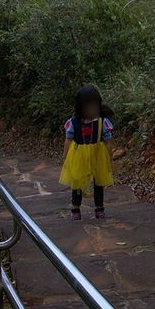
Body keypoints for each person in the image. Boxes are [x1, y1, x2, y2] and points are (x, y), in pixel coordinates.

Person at [59, 85, 114, 220]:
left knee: (98, 182)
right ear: (80, 107)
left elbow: (108, 141)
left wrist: (109, 157)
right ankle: (75, 208)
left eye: (94, 105)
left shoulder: (102, 122)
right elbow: (68, 140)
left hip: (97, 155)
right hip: (79, 156)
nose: (91, 109)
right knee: (77, 182)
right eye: (88, 106)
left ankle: (99, 208)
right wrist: (66, 158)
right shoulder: (74, 122)